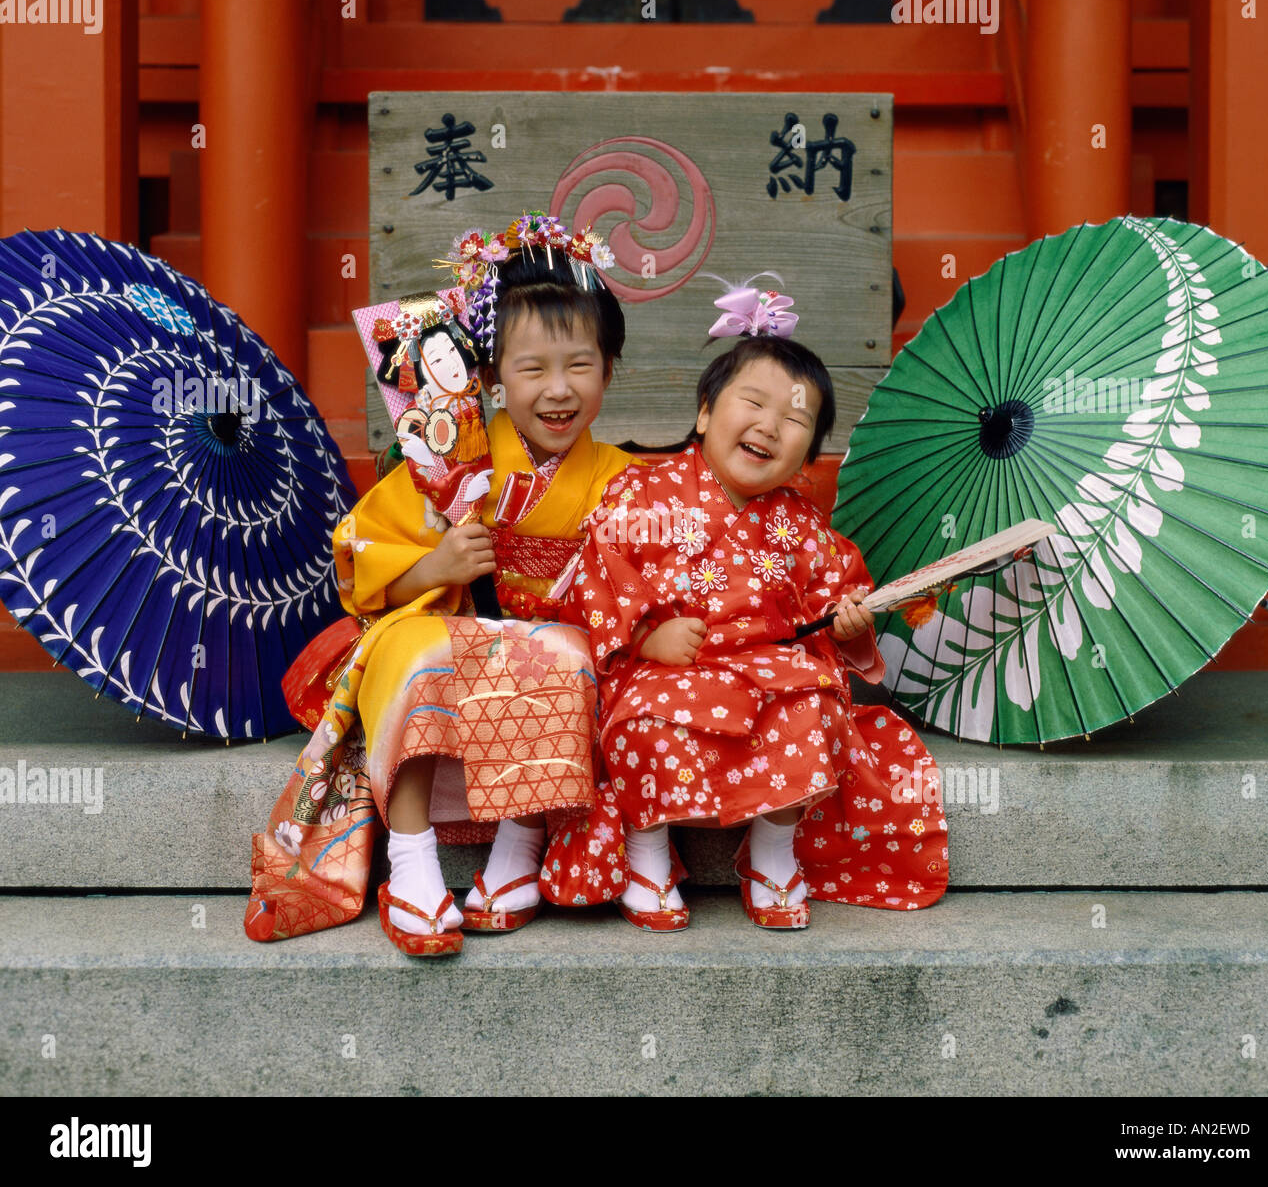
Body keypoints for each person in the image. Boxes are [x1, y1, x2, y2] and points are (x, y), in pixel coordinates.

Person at [245, 213, 639, 955]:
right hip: (454, 648)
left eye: (580, 366)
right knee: (414, 646)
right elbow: (358, 557)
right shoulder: (449, 463)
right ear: (489, 377)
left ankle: (518, 849)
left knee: (563, 653)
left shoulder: (623, 480)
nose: (558, 390)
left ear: (610, 369)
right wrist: (436, 568)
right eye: (532, 369)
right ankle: (413, 863)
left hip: (549, 660)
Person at [559, 284, 949, 930]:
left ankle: (770, 851)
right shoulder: (643, 493)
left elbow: (836, 590)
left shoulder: (800, 523)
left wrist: (848, 624)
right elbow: (599, 574)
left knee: (814, 704)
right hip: (667, 669)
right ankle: (646, 853)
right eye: (753, 402)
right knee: (642, 720)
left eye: (795, 419)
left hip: (770, 675)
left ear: (808, 454)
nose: (770, 424)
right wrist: (649, 636)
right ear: (705, 413)